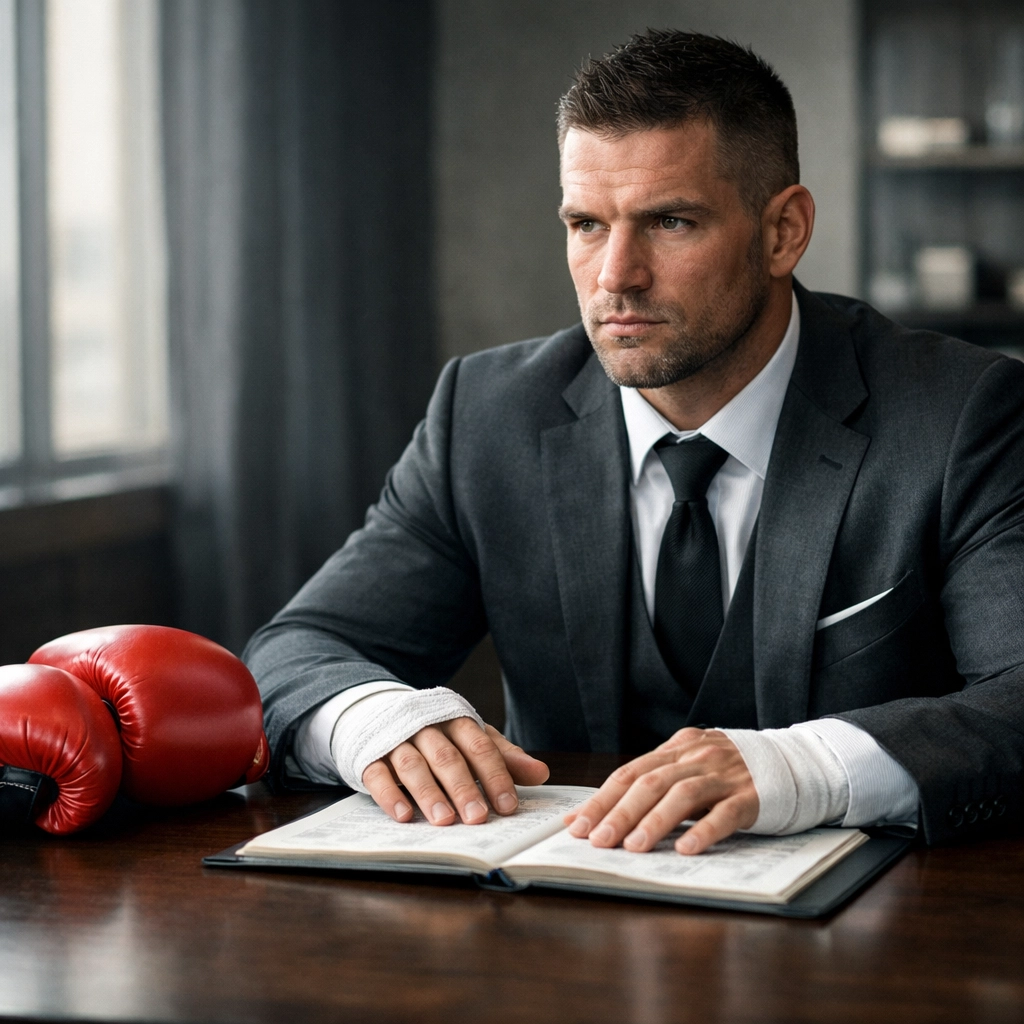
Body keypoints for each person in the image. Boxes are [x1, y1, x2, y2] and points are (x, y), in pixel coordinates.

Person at [245, 29, 1024, 855]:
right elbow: (297, 650)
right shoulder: (487, 415)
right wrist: (378, 720)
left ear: (783, 232)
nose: (616, 275)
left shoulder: (961, 416)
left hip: (875, 919)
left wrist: (805, 768)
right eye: (586, 224)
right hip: (559, 909)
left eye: (671, 221)